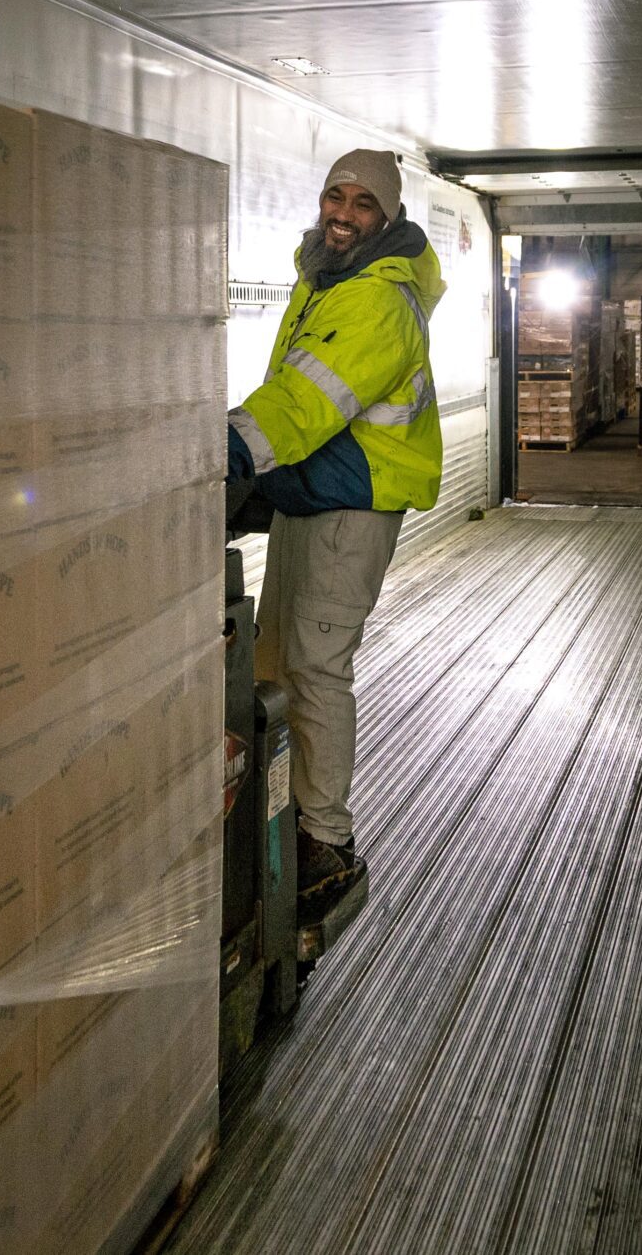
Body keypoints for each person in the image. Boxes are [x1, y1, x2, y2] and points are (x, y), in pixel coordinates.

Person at [225, 149, 445, 928]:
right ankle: (281, 813)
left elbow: (307, 403)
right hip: (307, 497)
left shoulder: (378, 301)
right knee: (272, 657)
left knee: (315, 664)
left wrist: (231, 451)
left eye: (361, 203)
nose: (342, 213)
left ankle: (325, 838)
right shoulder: (322, 280)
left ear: (386, 220)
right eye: (333, 196)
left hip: (353, 503)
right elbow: (288, 392)